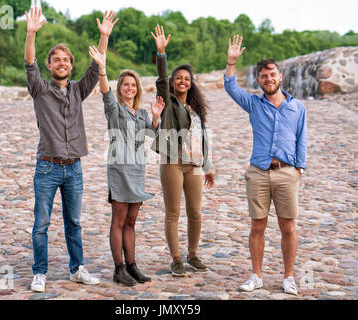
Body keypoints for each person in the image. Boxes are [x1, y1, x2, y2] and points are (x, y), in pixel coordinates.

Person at [24, 7, 118, 292]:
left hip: (74, 168)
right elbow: (30, 63)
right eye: (56, 60)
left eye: (66, 60)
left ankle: (77, 268)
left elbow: (96, 66)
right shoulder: (40, 90)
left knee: (74, 223)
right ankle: (39, 272)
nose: (61, 63)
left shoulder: (78, 90)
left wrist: (103, 37)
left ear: (71, 65)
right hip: (47, 167)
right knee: (41, 224)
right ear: (50, 66)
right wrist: (31, 33)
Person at [223, 35, 308, 295]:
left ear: (280, 76)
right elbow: (230, 87)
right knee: (257, 226)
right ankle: (256, 276)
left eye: (272, 74)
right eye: (263, 76)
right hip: (258, 173)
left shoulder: (297, 107)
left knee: (288, 228)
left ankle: (289, 277)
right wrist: (231, 62)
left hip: (286, 173)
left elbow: (302, 138)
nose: (268, 79)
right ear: (259, 80)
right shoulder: (254, 104)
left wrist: (299, 168)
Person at [88, 44, 165, 286]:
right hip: (119, 169)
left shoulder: (141, 113)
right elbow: (105, 91)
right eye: (125, 84)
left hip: (137, 169)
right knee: (119, 220)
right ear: (120, 88)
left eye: (133, 85)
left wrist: (155, 118)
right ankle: (118, 268)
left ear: (137, 89)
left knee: (132, 221)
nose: (129, 88)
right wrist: (102, 68)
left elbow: (152, 136)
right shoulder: (114, 108)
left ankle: (132, 266)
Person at [150, 26, 215, 277]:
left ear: (191, 83)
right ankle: (176, 259)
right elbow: (160, 78)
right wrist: (161, 53)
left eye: (186, 78)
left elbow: (203, 137)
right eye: (178, 78)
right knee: (173, 212)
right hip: (173, 162)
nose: (182, 81)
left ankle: (193, 254)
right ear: (172, 82)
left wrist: (207, 166)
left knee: (195, 213)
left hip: (195, 165)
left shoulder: (196, 107)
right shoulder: (168, 102)